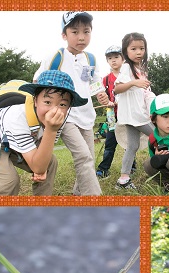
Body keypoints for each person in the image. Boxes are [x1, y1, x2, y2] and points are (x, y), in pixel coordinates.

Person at [33, 11, 109, 195]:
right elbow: (37, 81)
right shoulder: (56, 57)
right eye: (75, 32)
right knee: (83, 157)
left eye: (86, 31)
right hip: (65, 116)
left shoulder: (90, 59)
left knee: (88, 157)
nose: (81, 37)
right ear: (64, 35)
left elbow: (94, 82)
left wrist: (101, 93)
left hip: (87, 115)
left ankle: (77, 194)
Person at [0, 70, 88, 195]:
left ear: (69, 108)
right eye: (47, 102)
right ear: (35, 101)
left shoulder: (60, 117)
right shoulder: (18, 117)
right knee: (6, 183)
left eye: (62, 104)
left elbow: (43, 147)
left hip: (13, 138)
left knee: (50, 162)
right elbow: (38, 167)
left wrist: (42, 167)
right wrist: (51, 130)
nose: (54, 110)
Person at [114, 32, 156, 190]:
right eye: (134, 49)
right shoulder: (126, 67)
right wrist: (134, 83)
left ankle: (123, 180)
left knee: (132, 146)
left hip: (134, 114)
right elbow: (117, 89)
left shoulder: (140, 69)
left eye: (142, 48)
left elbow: (144, 93)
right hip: (135, 115)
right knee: (158, 136)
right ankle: (163, 168)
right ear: (126, 51)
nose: (139, 52)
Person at [96, 45, 136, 178]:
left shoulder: (129, 76)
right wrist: (107, 102)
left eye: (116, 57)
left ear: (123, 59)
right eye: (110, 58)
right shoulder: (105, 79)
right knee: (110, 142)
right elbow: (101, 96)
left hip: (127, 114)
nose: (113, 60)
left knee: (128, 142)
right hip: (112, 115)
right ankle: (103, 169)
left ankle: (131, 166)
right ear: (107, 61)